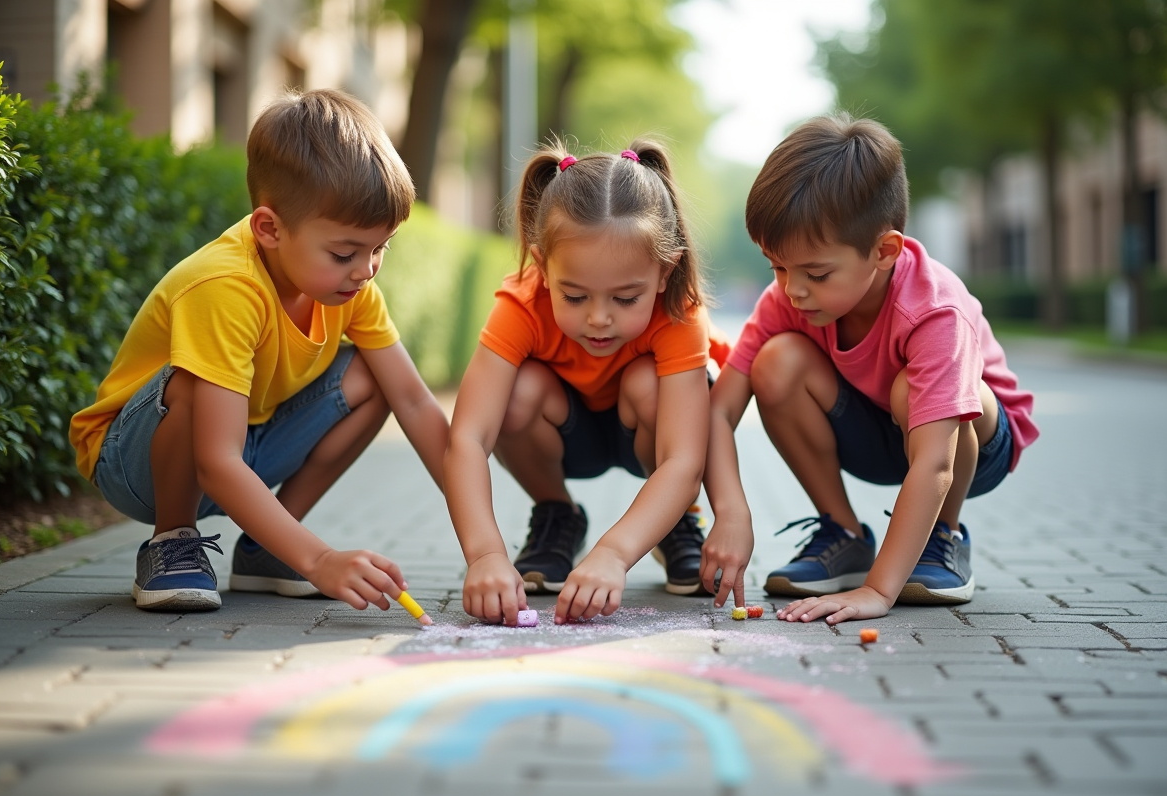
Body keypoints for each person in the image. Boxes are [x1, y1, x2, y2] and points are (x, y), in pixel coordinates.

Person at [69, 89, 449, 614]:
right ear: (269, 228)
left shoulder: (350, 288)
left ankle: (267, 550)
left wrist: (484, 545)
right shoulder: (224, 286)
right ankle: (172, 540)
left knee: (375, 378)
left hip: (240, 443)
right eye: (344, 253)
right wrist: (319, 560)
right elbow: (217, 459)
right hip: (139, 465)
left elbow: (414, 402)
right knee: (194, 383)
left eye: (380, 249)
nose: (365, 271)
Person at [700, 114, 1038, 623]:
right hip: (873, 433)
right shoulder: (790, 298)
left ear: (883, 252)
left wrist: (878, 592)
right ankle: (844, 534)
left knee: (912, 390)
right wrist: (730, 512)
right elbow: (718, 412)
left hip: (966, 446)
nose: (792, 289)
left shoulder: (934, 310)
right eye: (778, 266)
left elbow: (935, 464)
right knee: (776, 362)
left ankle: (939, 538)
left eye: (816, 273)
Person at [445, 139, 719, 627]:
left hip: (648, 437)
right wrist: (485, 554)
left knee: (649, 384)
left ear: (664, 272)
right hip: (566, 433)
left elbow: (683, 460)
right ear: (544, 266)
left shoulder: (680, 311)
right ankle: (557, 515)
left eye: (625, 298)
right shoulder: (520, 306)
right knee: (517, 392)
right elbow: (468, 436)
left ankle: (671, 522)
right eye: (573, 296)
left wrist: (614, 554)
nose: (598, 319)